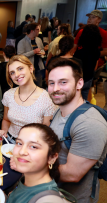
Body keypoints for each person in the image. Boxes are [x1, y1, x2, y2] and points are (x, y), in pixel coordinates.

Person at [47, 58, 107, 203]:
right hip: (52, 189)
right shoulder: (60, 110)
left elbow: (72, 174)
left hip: (72, 198)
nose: (55, 89)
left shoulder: (89, 123)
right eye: (51, 83)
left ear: (79, 83)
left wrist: (32, 166)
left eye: (63, 82)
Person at [0, 55, 56, 144]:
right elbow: (6, 120)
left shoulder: (46, 99)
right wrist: (4, 131)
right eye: (12, 72)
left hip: (32, 146)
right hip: (9, 142)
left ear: (31, 68)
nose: (16, 75)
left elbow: (46, 133)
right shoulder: (8, 95)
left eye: (20, 69)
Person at [7, 123, 64, 203]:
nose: (22, 151)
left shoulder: (47, 199)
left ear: (52, 158)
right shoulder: (26, 179)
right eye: (19, 143)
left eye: (33, 146)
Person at [74, 24, 102, 100]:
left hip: (79, 79)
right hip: (89, 78)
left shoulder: (79, 53)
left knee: (75, 101)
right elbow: (95, 67)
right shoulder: (97, 51)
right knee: (84, 100)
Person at [17, 23, 45, 87]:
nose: (39, 31)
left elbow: (42, 50)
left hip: (38, 68)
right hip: (28, 69)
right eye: (37, 29)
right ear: (32, 31)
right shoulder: (22, 42)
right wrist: (33, 52)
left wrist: (42, 53)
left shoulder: (39, 40)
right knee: (27, 87)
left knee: (38, 87)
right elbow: (20, 56)